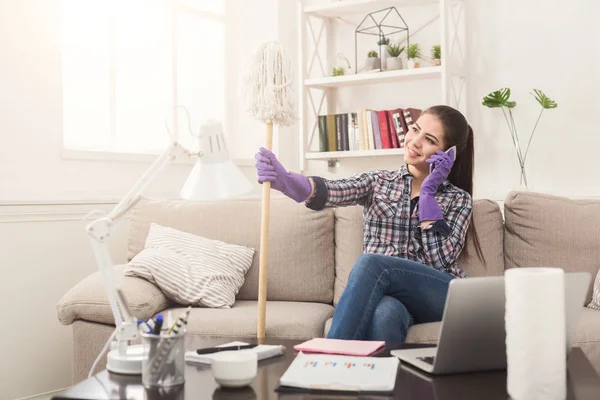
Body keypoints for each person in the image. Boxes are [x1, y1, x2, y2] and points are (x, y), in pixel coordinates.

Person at [254, 105, 483, 343]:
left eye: (429, 140)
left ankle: (327, 359)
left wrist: (427, 195)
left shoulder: (458, 199)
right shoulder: (378, 182)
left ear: (448, 155)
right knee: (385, 315)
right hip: (387, 295)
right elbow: (333, 190)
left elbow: (439, 260)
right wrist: (286, 181)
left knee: (372, 264)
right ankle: (386, 379)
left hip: (438, 293)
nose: (414, 141)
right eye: (414, 130)